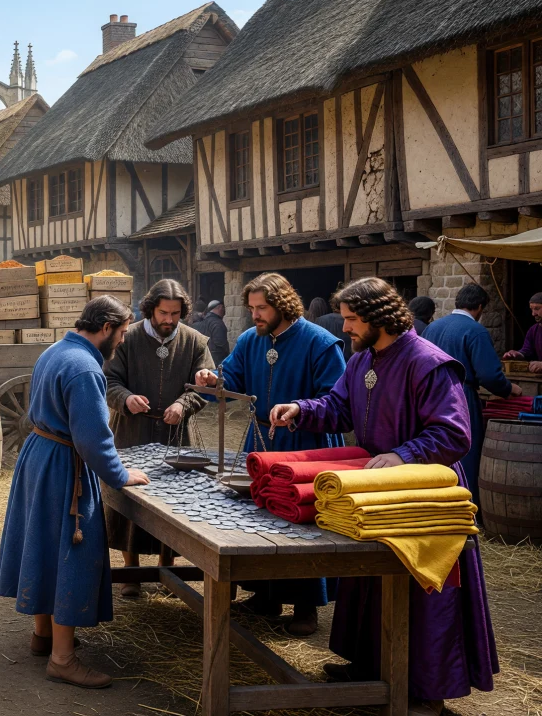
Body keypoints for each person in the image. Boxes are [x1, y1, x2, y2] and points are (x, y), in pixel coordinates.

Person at [270, 277, 497, 715]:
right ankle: (370, 668)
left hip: (425, 494)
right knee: (370, 580)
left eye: (353, 320)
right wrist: (301, 409)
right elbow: (338, 407)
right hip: (377, 489)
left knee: (422, 591)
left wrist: (403, 453)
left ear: (378, 318)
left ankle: (425, 690)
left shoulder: (429, 363)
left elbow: (454, 433)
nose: (346, 328)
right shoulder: (361, 361)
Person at [0, 296, 151, 688]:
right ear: (106, 328)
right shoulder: (85, 367)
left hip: (39, 455)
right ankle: (62, 659)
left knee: (45, 546)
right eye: (121, 333)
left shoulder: (55, 349)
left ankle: (43, 636)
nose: (121, 341)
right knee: (70, 551)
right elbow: (93, 439)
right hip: (63, 465)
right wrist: (120, 474)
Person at [194, 273, 346, 636]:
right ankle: (265, 595)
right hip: (262, 441)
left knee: (303, 521)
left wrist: (300, 407)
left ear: (283, 304)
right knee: (260, 516)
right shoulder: (251, 340)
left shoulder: (321, 343)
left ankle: (307, 606)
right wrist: (212, 379)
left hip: (307, 444)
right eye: (252, 309)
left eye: (262, 308)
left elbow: (337, 399)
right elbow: (231, 377)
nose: (255, 315)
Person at [103, 280, 214, 597]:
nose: (169, 319)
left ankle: (169, 566)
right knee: (128, 498)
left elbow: (204, 386)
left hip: (176, 432)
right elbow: (109, 379)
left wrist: (184, 403)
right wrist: (125, 398)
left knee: (174, 500)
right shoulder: (128, 338)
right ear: (150, 309)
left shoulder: (195, 342)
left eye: (175, 313)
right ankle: (131, 572)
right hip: (131, 429)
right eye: (163, 312)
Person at [424, 283, 520, 498]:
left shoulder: (433, 327)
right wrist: (508, 389)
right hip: (460, 398)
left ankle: (435, 501)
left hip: (428, 396)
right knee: (465, 450)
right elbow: (489, 375)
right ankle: (465, 505)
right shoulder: (475, 330)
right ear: (479, 307)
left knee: (434, 448)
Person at [502, 291, 542, 373]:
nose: (533, 314)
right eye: (532, 309)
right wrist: (517, 354)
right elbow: (527, 351)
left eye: (537, 309)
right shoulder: (533, 330)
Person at [198, 299, 230, 365]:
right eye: (223, 307)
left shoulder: (204, 322)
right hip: (217, 360)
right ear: (219, 307)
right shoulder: (217, 323)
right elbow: (221, 343)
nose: (224, 310)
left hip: (205, 359)